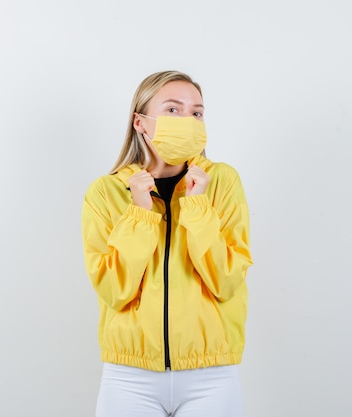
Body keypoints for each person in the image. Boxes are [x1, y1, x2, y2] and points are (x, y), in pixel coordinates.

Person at [81, 70, 254, 417]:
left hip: (212, 375)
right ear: (140, 122)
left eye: (196, 113)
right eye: (173, 110)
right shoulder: (106, 192)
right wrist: (140, 215)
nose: (188, 120)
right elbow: (114, 289)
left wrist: (197, 206)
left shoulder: (222, 182)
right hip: (129, 377)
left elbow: (226, 281)